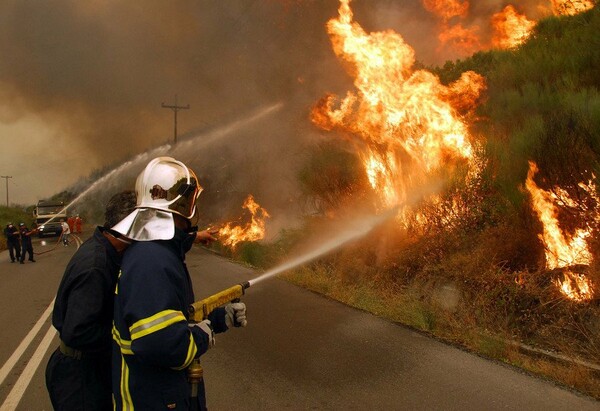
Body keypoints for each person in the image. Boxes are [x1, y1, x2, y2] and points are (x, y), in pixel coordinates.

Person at [111, 157, 247, 410]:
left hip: (160, 394)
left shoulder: (154, 251)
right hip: (155, 399)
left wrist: (218, 320)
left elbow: (169, 318)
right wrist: (203, 334)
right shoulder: (152, 261)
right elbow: (161, 344)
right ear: (184, 204)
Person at [45, 191, 137, 411]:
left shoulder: (104, 245)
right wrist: (127, 335)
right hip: (79, 376)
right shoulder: (96, 267)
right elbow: (78, 332)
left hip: (87, 369)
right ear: (130, 227)